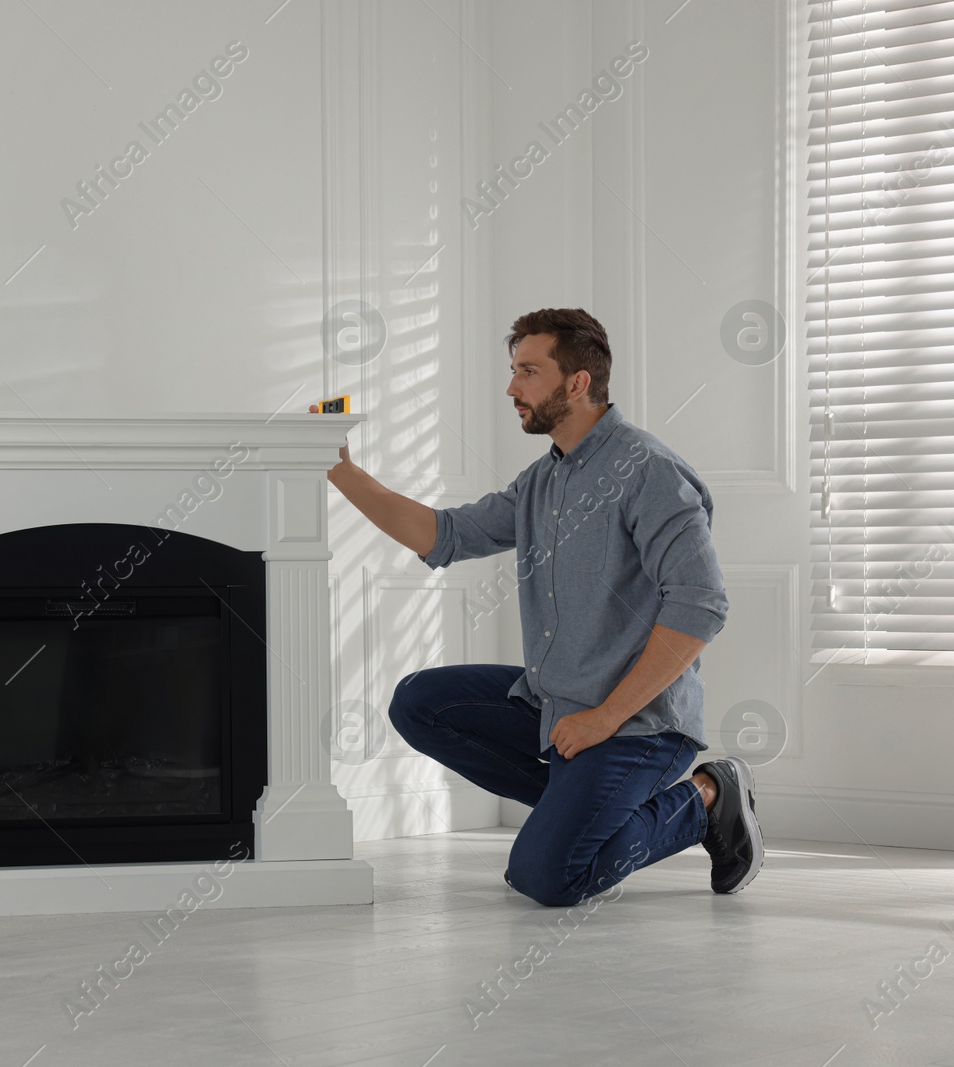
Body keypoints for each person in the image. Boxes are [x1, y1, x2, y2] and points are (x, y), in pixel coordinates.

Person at [317, 307, 761, 905]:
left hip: (638, 726)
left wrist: (605, 718)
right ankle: (572, 813)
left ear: (577, 382)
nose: (511, 388)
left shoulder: (649, 471)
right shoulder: (541, 483)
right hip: (557, 710)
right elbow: (441, 534)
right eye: (513, 370)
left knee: (548, 877)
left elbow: (701, 605)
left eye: (528, 371)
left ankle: (706, 798)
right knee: (420, 702)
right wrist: (340, 471)